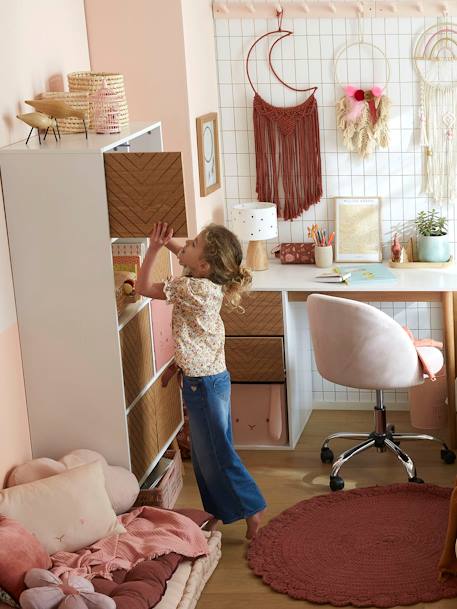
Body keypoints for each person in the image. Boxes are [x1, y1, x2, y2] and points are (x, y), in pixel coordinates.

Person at [136, 221, 266, 539]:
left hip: (204, 386)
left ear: (204, 265)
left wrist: (153, 248)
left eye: (191, 244)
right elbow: (193, 339)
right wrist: (169, 244)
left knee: (216, 456)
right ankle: (217, 513)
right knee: (207, 459)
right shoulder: (207, 281)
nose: (184, 245)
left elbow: (142, 288)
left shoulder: (190, 288)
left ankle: (253, 506)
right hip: (211, 378)